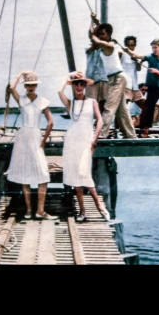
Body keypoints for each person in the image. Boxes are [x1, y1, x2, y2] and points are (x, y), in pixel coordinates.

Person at [58, 71, 111, 222]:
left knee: (85, 173)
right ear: (73, 86)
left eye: (82, 84)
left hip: (86, 141)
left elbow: (100, 121)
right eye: (76, 84)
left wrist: (95, 138)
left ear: (85, 86)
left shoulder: (92, 102)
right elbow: (58, 91)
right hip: (72, 142)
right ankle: (82, 211)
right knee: (75, 177)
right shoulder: (71, 103)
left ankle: (101, 207)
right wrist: (68, 76)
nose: (79, 86)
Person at [6, 71, 58, 220]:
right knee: (24, 174)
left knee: (43, 174)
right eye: (28, 85)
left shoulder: (42, 101)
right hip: (22, 138)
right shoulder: (21, 99)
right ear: (25, 86)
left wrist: (43, 140)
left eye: (33, 84)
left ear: (37, 85)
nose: (31, 87)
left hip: (35, 136)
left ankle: (40, 210)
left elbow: (51, 122)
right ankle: (29, 210)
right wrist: (20, 74)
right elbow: (11, 87)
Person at [89, 21, 137, 139]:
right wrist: (93, 21)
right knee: (122, 111)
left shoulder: (109, 45)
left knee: (109, 107)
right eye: (99, 34)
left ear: (109, 35)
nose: (101, 36)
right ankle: (131, 135)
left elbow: (94, 38)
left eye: (103, 34)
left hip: (117, 78)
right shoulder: (105, 45)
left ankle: (101, 133)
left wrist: (93, 28)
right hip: (112, 79)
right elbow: (93, 36)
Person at [123, 38, 159, 138]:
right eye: (152, 48)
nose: (154, 50)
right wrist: (128, 50)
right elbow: (136, 56)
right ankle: (145, 130)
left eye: (156, 47)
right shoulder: (150, 57)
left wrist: (157, 71)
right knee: (149, 109)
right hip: (152, 87)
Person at [85, 18, 108, 115]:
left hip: (103, 78)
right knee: (90, 102)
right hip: (91, 79)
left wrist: (98, 23)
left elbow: (105, 34)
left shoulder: (105, 47)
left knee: (103, 102)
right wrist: (92, 21)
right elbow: (91, 35)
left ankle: (101, 122)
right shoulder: (89, 49)